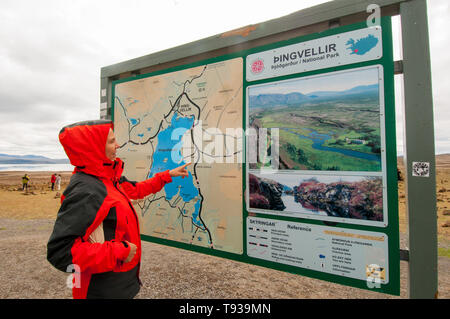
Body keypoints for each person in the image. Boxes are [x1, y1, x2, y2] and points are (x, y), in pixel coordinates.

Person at [47, 120, 189, 299]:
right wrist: (118, 251)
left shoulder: (109, 179)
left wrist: (167, 176)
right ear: (95, 148)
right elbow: (60, 252)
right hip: (100, 290)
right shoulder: (88, 191)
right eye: (112, 141)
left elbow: (136, 189)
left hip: (120, 284)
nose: (118, 145)